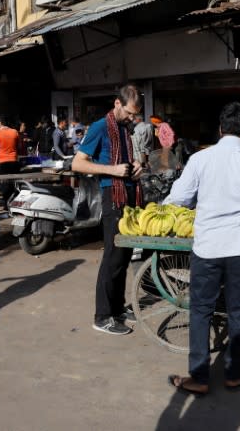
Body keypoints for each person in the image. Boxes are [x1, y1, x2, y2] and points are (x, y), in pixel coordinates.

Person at [163, 102, 240, 396]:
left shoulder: (201, 160)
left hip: (208, 247)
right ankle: (234, 373)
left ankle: (199, 377)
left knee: (201, 310)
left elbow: (178, 198)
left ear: (219, 129)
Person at [71, 85, 144, 335]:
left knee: (124, 256)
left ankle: (117, 308)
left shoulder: (123, 129)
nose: (133, 119)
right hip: (111, 195)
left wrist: (136, 166)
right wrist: (112, 170)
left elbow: (124, 161)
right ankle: (102, 316)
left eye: (135, 115)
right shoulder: (100, 127)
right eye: (129, 113)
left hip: (128, 194)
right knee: (113, 256)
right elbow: (78, 163)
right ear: (117, 104)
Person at [0, 117, 22, 205]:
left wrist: (0, 150)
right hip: (13, 160)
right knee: (13, 183)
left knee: (4, 183)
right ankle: (14, 202)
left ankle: (6, 203)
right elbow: (19, 147)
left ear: (0, 123)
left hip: (2, 161)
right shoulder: (15, 132)